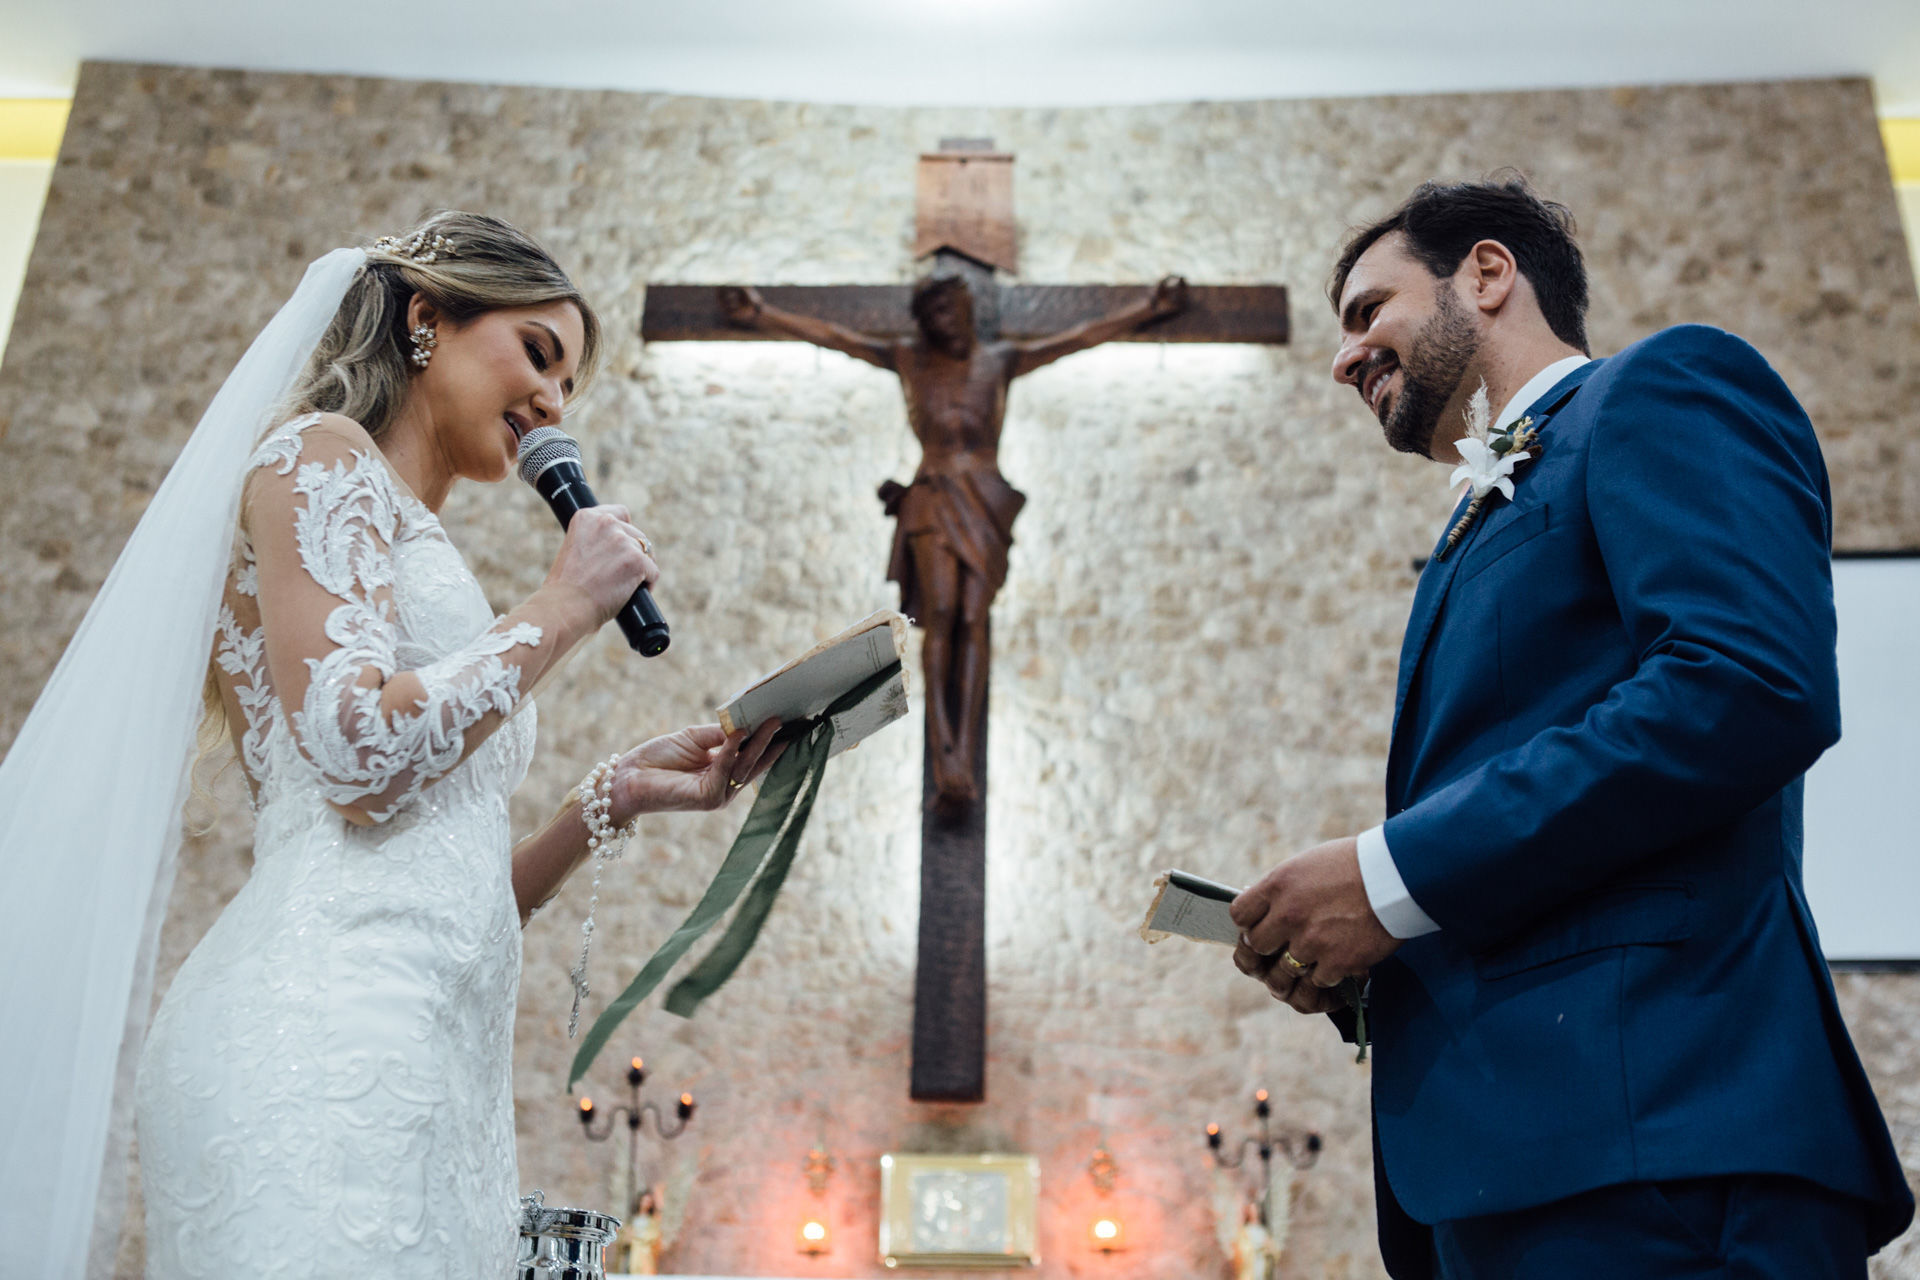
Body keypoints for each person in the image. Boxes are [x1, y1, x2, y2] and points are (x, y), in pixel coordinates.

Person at [1, 212, 783, 1278]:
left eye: (568, 391)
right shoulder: (318, 458)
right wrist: (561, 604)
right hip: (322, 1039)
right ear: (429, 318)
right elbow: (356, 754)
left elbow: (438, 881)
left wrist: (613, 797)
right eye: (539, 356)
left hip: (429, 1062)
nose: (554, 402)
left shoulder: (411, 539)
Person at [1228, 178, 1914, 1277]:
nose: (1346, 356)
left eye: (1370, 309)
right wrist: (1380, 942)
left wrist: (1392, 875)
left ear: (1488, 275)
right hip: (1508, 1166)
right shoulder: (1462, 538)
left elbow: (1743, 681)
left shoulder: (1662, 389)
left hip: (1660, 1146)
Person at [718, 271, 1186, 811]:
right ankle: (947, 754)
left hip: (984, 499)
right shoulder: (909, 359)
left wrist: (1149, 306)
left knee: (973, 618)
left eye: (955, 311)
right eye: (937, 315)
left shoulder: (1002, 359)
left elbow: (1079, 337)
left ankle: (962, 744)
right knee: (939, 616)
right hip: (933, 496)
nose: (949, 323)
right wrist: (761, 314)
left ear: (967, 312)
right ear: (926, 322)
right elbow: (835, 337)